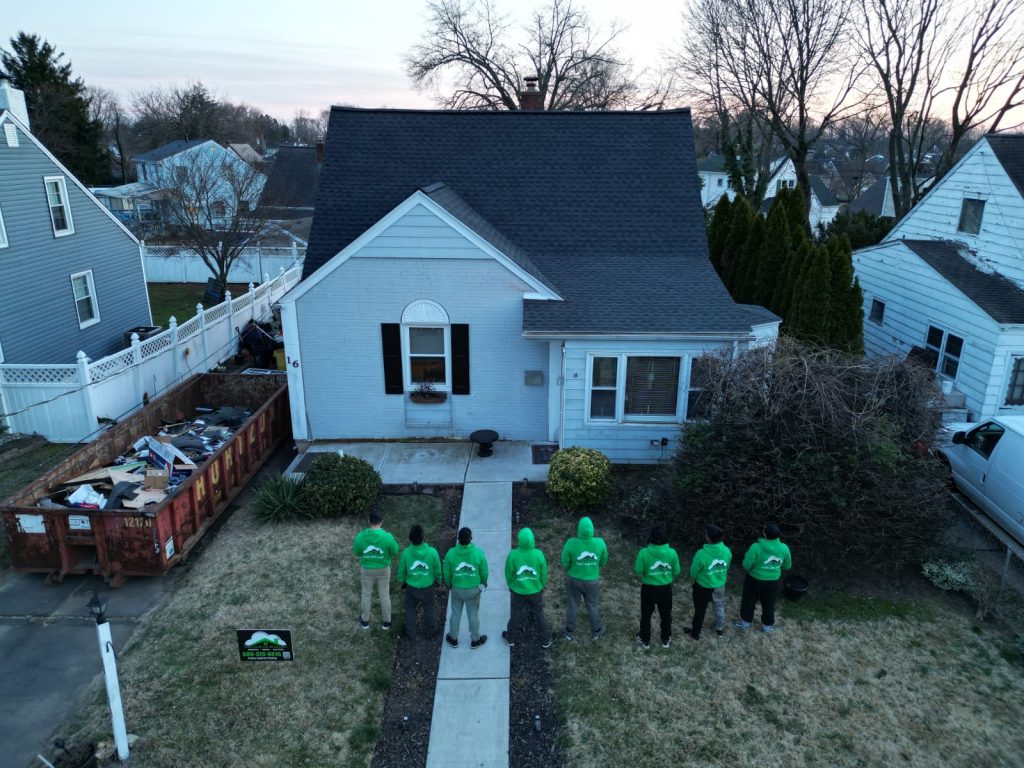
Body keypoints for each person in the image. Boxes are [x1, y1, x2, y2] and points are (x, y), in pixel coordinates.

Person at [734, 523, 792, 634]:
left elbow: (746, 565)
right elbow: (787, 566)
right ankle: (767, 627)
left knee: (749, 601)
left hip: (754, 580)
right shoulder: (784, 548)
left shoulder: (756, 547)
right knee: (769, 603)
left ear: (765, 534)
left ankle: (745, 624)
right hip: (773, 582)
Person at [502, 527, 553, 648]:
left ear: (519, 540)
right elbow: (543, 572)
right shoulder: (538, 554)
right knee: (539, 614)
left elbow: (508, 573)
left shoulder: (513, 555)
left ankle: (510, 638)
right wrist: (541, 584)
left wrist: (511, 585)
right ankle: (546, 640)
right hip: (535, 591)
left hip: (517, 592)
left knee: (515, 614)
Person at [561, 516, 608, 641]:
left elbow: (565, 562)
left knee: (573, 604)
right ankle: (597, 629)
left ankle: (568, 631)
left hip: (573, 580)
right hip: (592, 580)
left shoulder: (571, 542)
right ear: (592, 529)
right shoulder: (600, 543)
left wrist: (572, 568)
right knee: (592, 605)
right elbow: (604, 561)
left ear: (579, 529)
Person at [442, 527, 490, 649]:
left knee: (455, 613)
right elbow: (484, 570)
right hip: (473, 590)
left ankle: (453, 638)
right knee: (473, 614)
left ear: (458, 538)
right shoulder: (478, 553)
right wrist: (484, 582)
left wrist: (449, 584)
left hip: (456, 589)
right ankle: (475, 640)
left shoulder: (451, 553)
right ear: (471, 538)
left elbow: (446, 572)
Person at [634, 526, 681, 649]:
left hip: (648, 589)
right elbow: (677, 572)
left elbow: (638, 570)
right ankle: (666, 639)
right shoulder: (672, 553)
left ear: (651, 537)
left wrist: (647, 573)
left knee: (646, 614)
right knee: (666, 615)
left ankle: (645, 639)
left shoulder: (644, 552)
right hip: (665, 589)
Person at [352, 510, 399, 630]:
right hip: (383, 570)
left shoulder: (361, 536)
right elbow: (395, 551)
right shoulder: (388, 537)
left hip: (367, 570)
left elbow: (357, 552)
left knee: (366, 594)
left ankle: (364, 622)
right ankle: (386, 622)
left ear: (369, 520)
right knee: (384, 594)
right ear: (382, 521)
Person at [684, 524, 732, 641]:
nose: (704, 535)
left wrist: (694, 579)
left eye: (705, 534)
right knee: (719, 606)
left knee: (700, 611)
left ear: (708, 538)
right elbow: (727, 567)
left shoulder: (701, 554)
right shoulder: (727, 551)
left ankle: (695, 634)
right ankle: (719, 628)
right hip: (719, 586)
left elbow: (693, 572)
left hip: (703, 587)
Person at [397, 524, 442, 640]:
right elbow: (437, 570)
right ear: (423, 537)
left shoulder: (406, 553)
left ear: (410, 538)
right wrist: (438, 581)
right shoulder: (432, 552)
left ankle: (410, 633)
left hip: (411, 588)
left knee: (410, 610)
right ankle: (430, 632)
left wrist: (402, 581)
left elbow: (401, 571)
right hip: (428, 588)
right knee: (429, 609)